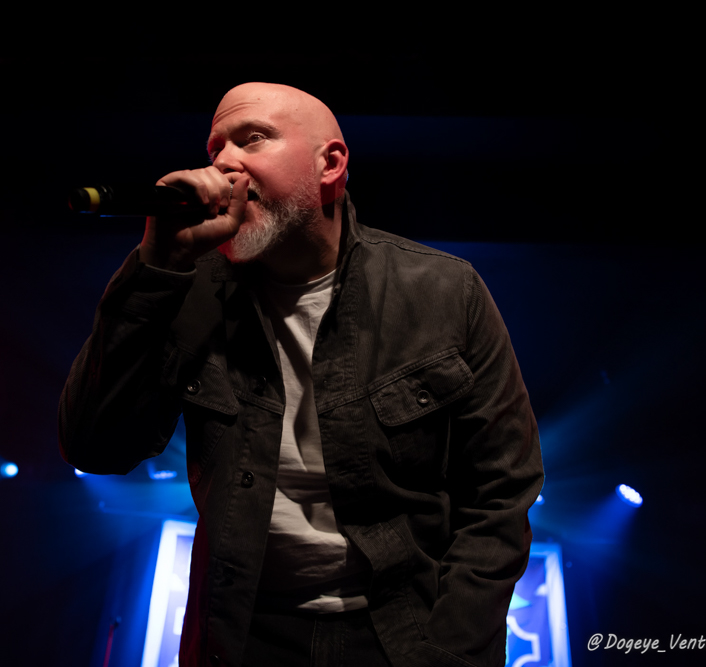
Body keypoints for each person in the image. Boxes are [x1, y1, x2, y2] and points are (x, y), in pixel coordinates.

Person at [59, 82, 544, 667]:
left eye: (252, 139)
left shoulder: (444, 291)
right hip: (243, 638)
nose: (224, 163)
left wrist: (452, 648)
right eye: (216, 148)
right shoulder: (186, 290)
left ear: (330, 165)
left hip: (404, 637)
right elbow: (95, 445)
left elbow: (502, 492)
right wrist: (156, 270)